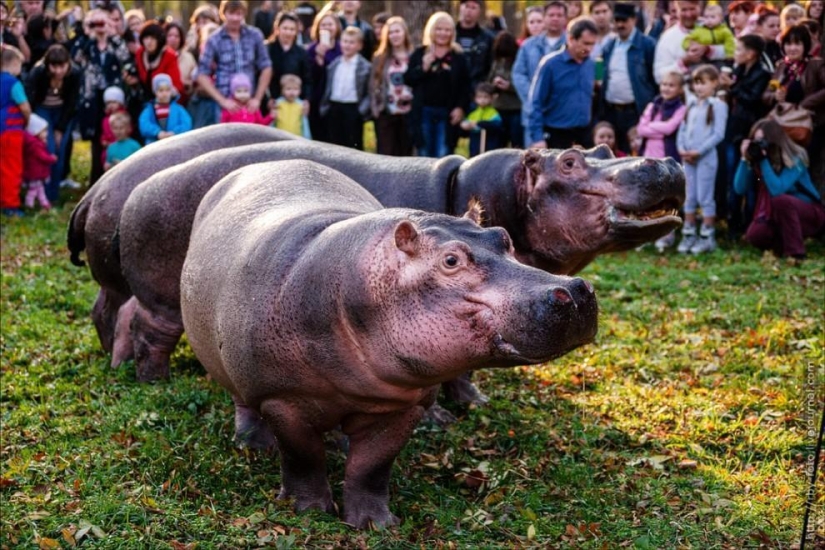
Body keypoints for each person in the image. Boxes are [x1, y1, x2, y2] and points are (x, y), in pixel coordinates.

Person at [735, 118, 824, 260]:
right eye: (755, 141)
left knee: (781, 201)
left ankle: (796, 253)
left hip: (811, 214)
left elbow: (777, 190)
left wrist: (764, 161)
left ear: (774, 140)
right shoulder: (759, 161)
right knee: (756, 235)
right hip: (778, 214)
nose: (759, 145)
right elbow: (740, 189)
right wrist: (745, 159)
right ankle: (781, 245)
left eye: (762, 141)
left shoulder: (796, 158)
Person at [71, 7, 131, 184]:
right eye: (94, 23)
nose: (99, 26)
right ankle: (96, 179)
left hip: (113, 97)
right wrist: (85, 32)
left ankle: (116, 178)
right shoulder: (87, 44)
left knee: (113, 133)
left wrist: (112, 33)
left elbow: (125, 58)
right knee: (96, 140)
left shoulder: (115, 43)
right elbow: (76, 57)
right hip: (91, 99)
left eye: (101, 22)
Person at [720, 34, 771, 237]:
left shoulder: (762, 74)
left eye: (739, 49)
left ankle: (749, 223)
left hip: (749, 132)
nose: (736, 53)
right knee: (733, 178)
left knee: (749, 180)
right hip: (734, 131)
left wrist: (732, 87)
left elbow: (752, 99)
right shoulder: (739, 70)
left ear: (751, 54)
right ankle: (733, 224)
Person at [763, 24, 825, 189]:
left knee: (803, 169)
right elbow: (766, 95)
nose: (792, 48)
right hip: (784, 127)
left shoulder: (816, 65)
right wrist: (774, 96)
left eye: (797, 43)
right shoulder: (781, 67)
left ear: (805, 45)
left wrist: (805, 104)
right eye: (788, 43)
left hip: (810, 126)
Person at [675, 64, 728, 255]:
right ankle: (689, 234)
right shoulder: (690, 104)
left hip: (705, 158)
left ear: (714, 83)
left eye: (703, 83)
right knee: (689, 195)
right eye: (696, 83)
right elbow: (682, 129)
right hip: (688, 158)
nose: (699, 87)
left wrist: (699, 151)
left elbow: (718, 134)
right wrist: (682, 149)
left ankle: (707, 237)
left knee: (705, 197)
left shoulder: (718, 105)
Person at [196, 0, 272, 127]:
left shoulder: (255, 35)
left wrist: (257, 99)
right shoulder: (214, 39)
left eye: (239, 14)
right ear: (223, 14)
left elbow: (266, 67)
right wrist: (222, 100)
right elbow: (202, 74)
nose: (235, 18)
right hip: (226, 105)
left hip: (250, 104)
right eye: (231, 13)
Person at [405, 11, 469, 158]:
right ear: (432, 30)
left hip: (447, 113)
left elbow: (465, 86)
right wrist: (424, 67)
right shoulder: (420, 53)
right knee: (424, 154)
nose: (443, 33)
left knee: (443, 153)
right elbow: (408, 79)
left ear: (452, 33)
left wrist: (460, 107)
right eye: (439, 29)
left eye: (447, 30)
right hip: (424, 112)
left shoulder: (458, 57)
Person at [527, 17, 598, 150]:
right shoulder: (550, 65)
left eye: (592, 44)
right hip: (557, 135)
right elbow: (535, 102)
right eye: (585, 43)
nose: (589, 49)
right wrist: (537, 138)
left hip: (584, 135)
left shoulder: (592, 64)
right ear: (571, 39)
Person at [637, 70, 687, 251]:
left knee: (665, 197)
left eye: (671, 85)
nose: (666, 88)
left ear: (680, 89)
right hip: (648, 156)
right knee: (648, 197)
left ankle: (666, 235)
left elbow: (670, 127)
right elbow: (641, 129)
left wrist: (651, 128)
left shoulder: (681, 108)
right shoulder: (653, 105)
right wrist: (655, 129)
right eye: (664, 84)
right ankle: (646, 233)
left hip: (666, 158)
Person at [24, 43, 80, 201]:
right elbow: (30, 96)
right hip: (43, 110)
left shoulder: (75, 74)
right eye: (54, 67)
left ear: (68, 64)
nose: (58, 71)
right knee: (48, 148)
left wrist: (60, 129)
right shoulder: (38, 72)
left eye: (62, 66)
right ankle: (43, 192)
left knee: (59, 150)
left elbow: (72, 102)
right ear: (47, 65)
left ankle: (52, 194)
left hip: (63, 111)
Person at [600, 2, 657, 155]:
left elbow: (654, 79)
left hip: (636, 111)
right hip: (611, 110)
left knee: (637, 156)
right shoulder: (609, 46)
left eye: (624, 20)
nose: (620, 24)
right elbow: (602, 76)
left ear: (634, 20)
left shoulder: (647, 45)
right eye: (617, 20)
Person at [513, 1, 567, 145]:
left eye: (559, 15)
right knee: (534, 162)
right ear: (545, 17)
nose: (555, 18)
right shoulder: (528, 45)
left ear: (565, 18)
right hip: (533, 115)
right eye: (551, 15)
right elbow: (518, 74)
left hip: (561, 116)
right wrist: (533, 95)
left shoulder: (571, 44)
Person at [369, 14, 413, 156]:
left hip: (409, 114)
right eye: (391, 32)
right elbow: (372, 84)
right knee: (386, 154)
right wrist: (375, 109)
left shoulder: (414, 56)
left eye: (397, 31)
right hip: (387, 112)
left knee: (406, 155)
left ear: (404, 33)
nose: (394, 35)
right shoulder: (380, 57)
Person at [319, 26, 370, 150]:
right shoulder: (334, 65)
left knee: (353, 145)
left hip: (353, 109)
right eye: (345, 41)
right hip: (334, 108)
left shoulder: (365, 67)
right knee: (334, 145)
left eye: (352, 42)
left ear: (359, 46)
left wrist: (361, 111)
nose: (347, 45)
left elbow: (370, 92)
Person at [653, 0, 728, 84]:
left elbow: (735, 51)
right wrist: (684, 62)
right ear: (677, 11)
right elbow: (659, 77)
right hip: (683, 93)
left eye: (692, 9)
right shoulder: (667, 38)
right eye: (684, 10)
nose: (688, 15)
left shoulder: (714, 26)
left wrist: (708, 50)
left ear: (699, 8)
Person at [1, 46, 30, 216]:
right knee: (11, 168)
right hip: (11, 131)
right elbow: (24, 107)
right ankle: (10, 206)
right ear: (13, 63)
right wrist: (27, 121)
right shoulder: (14, 83)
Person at [306, 7, 342, 142]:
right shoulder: (311, 49)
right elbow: (309, 77)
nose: (327, 27)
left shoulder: (342, 48)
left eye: (330, 24)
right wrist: (318, 60)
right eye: (324, 24)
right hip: (317, 100)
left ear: (337, 27)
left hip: (336, 100)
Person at [266, 11, 311, 116]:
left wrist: (306, 100)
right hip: (273, 104)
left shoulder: (301, 53)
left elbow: (307, 79)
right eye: (285, 28)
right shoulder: (267, 49)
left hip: (294, 103)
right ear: (277, 29)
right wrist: (268, 99)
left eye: (292, 29)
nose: (288, 32)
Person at [487, 31, 522, 148]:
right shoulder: (497, 63)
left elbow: (523, 84)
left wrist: (509, 86)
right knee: (497, 144)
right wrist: (494, 84)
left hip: (516, 108)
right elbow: (489, 82)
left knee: (516, 143)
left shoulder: (518, 63)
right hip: (499, 108)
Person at [135, 21, 183, 103]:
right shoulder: (140, 53)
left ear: (159, 40)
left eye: (153, 38)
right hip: (144, 99)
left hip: (166, 101)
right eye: (146, 38)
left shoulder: (169, 56)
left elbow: (177, 86)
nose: (149, 42)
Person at [139, 73, 192, 145]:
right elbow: (144, 123)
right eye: (161, 90)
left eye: (167, 90)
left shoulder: (178, 109)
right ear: (155, 92)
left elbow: (186, 123)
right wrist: (157, 132)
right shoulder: (150, 109)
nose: (164, 93)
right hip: (154, 144)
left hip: (175, 143)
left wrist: (175, 132)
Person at [454, 0, 494, 91]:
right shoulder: (449, 35)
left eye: (473, 7)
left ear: (479, 11)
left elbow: (491, 66)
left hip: (477, 92)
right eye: (467, 6)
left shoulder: (487, 39)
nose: (469, 11)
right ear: (460, 8)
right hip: (452, 91)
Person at [22, 112, 55, 210]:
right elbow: (42, 157)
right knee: (33, 190)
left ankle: (44, 203)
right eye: (44, 131)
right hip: (35, 173)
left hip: (37, 172)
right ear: (36, 131)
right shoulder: (35, 145)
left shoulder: (36, 143)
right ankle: (29, 205)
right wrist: (51, 158)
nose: (47, 133)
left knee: (39, 189)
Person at [460, 82, 502, 157]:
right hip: (475, 144)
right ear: (475, 98)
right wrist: (465, 125)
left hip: (489, 145)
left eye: (485, 97)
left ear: (492, 98)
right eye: (479, 97)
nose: (482, 100)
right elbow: (466, 123)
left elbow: (496, 125)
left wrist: (480, 123)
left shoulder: (494, 113)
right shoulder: (473, 113)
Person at [164, 21, 197, 100]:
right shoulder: (159, 57)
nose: (173, 39)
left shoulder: (188, 57)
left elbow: (194, 78)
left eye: (177, 36)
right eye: (169, 35)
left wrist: (189, 84)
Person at [273, 73, 310, 138]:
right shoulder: (278, 104)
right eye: (288, 89)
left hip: (296, 138)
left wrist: (307, 138)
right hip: (279, 137)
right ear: (282, 90)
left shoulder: (301, 105)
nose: (292, 92)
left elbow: (305, 124)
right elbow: (272, 121)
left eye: (296, 89)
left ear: (300, 91)